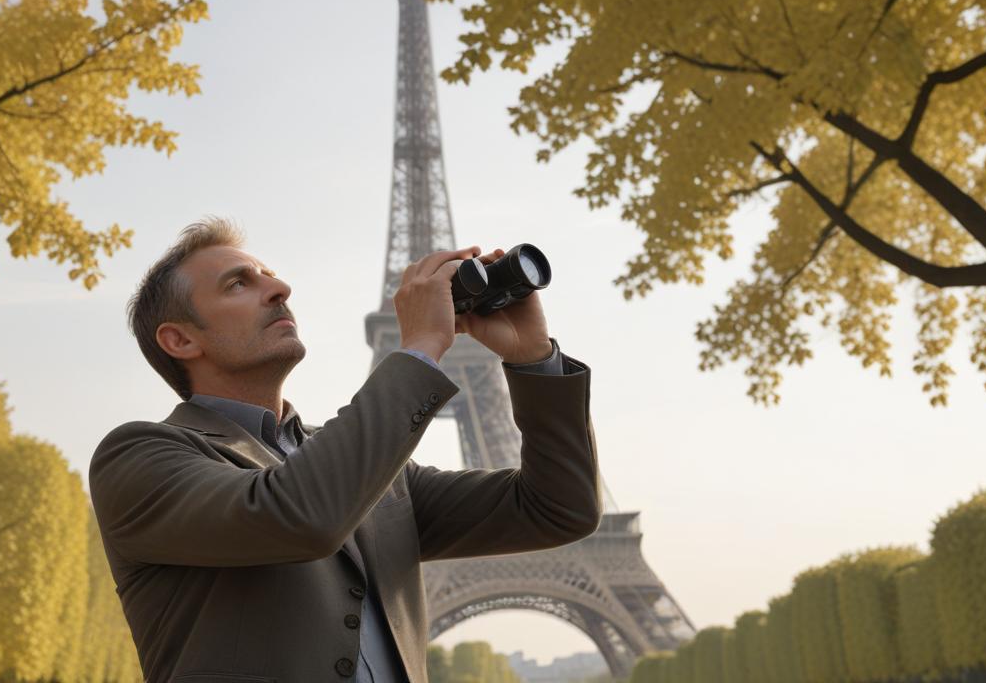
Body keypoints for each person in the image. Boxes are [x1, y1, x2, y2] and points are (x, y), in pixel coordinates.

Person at [89, 217, 602, 683]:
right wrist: (419, 348)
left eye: (271, 275)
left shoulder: (380, 476)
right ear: (180, 340)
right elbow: (298, 514)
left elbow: (558, 509)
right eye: (239, 283)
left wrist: (533, 359)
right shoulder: (139, 458)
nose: (280, 288)